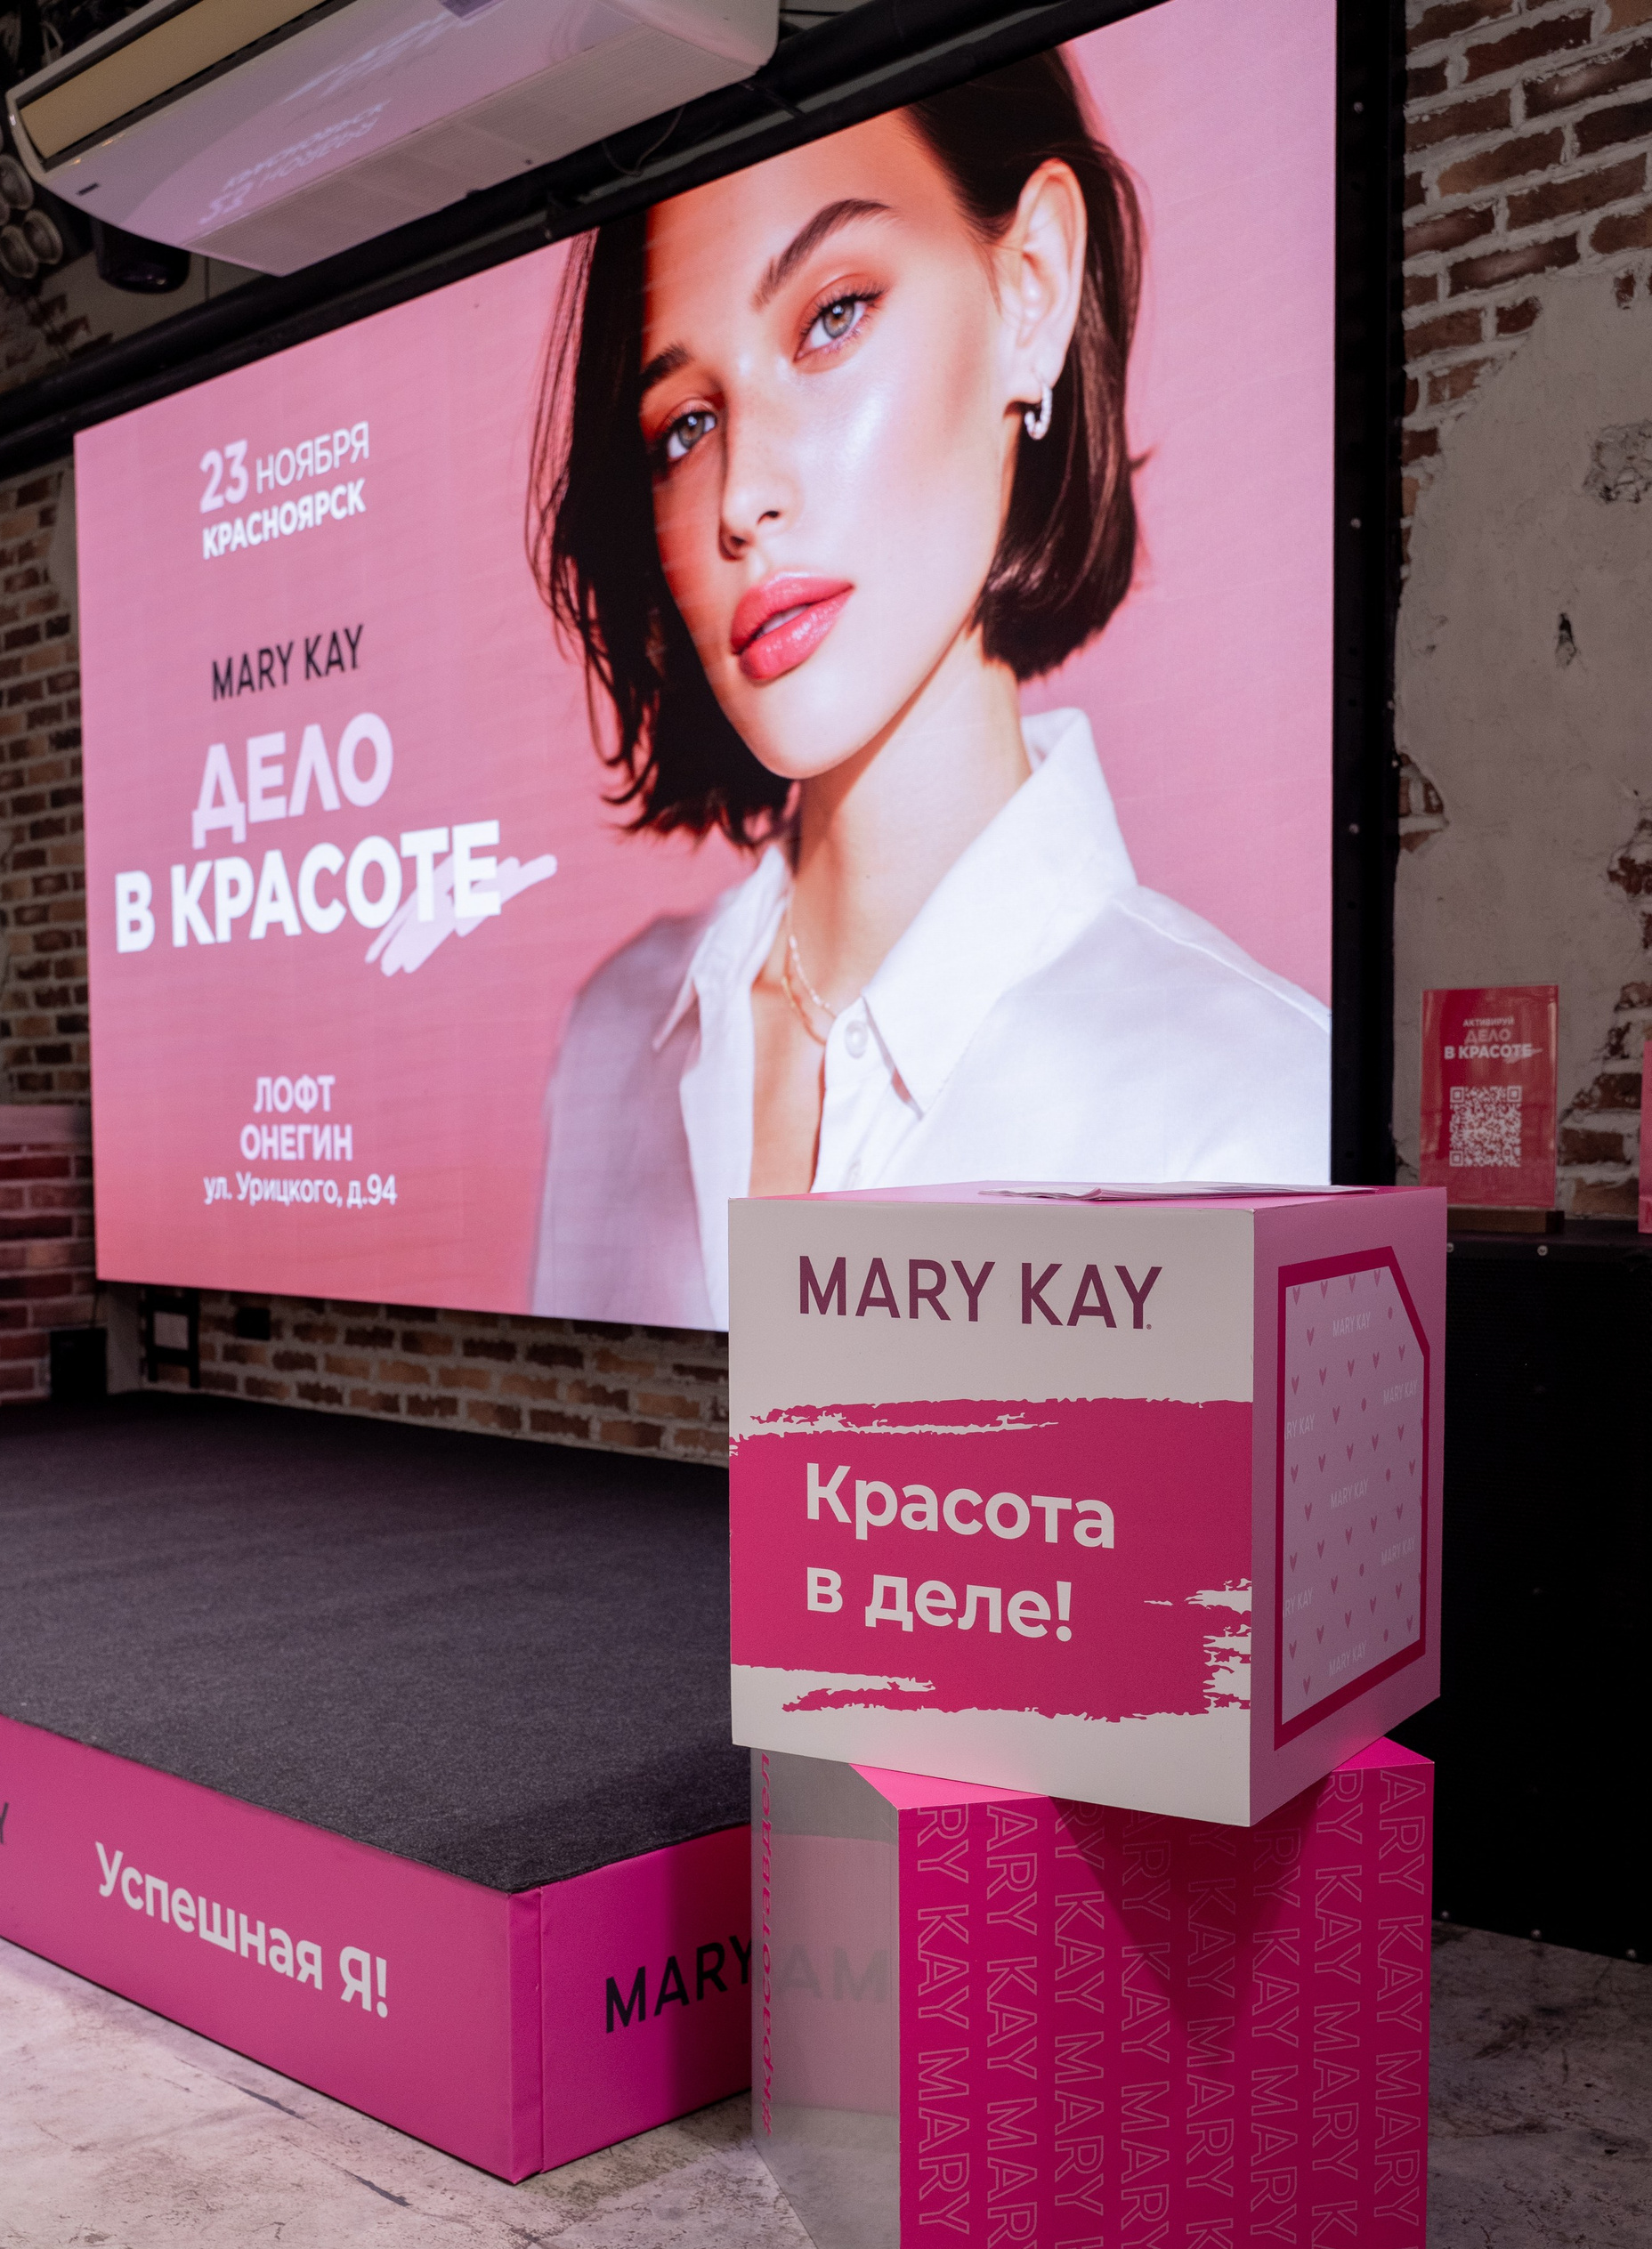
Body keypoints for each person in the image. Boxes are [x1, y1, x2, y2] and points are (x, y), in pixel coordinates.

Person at [527, 51, 1330, 1329]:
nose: (743, 497)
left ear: (1032, 285)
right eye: (686, 424)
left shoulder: (1253, 1113)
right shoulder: (614, 1039)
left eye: (832, 317)